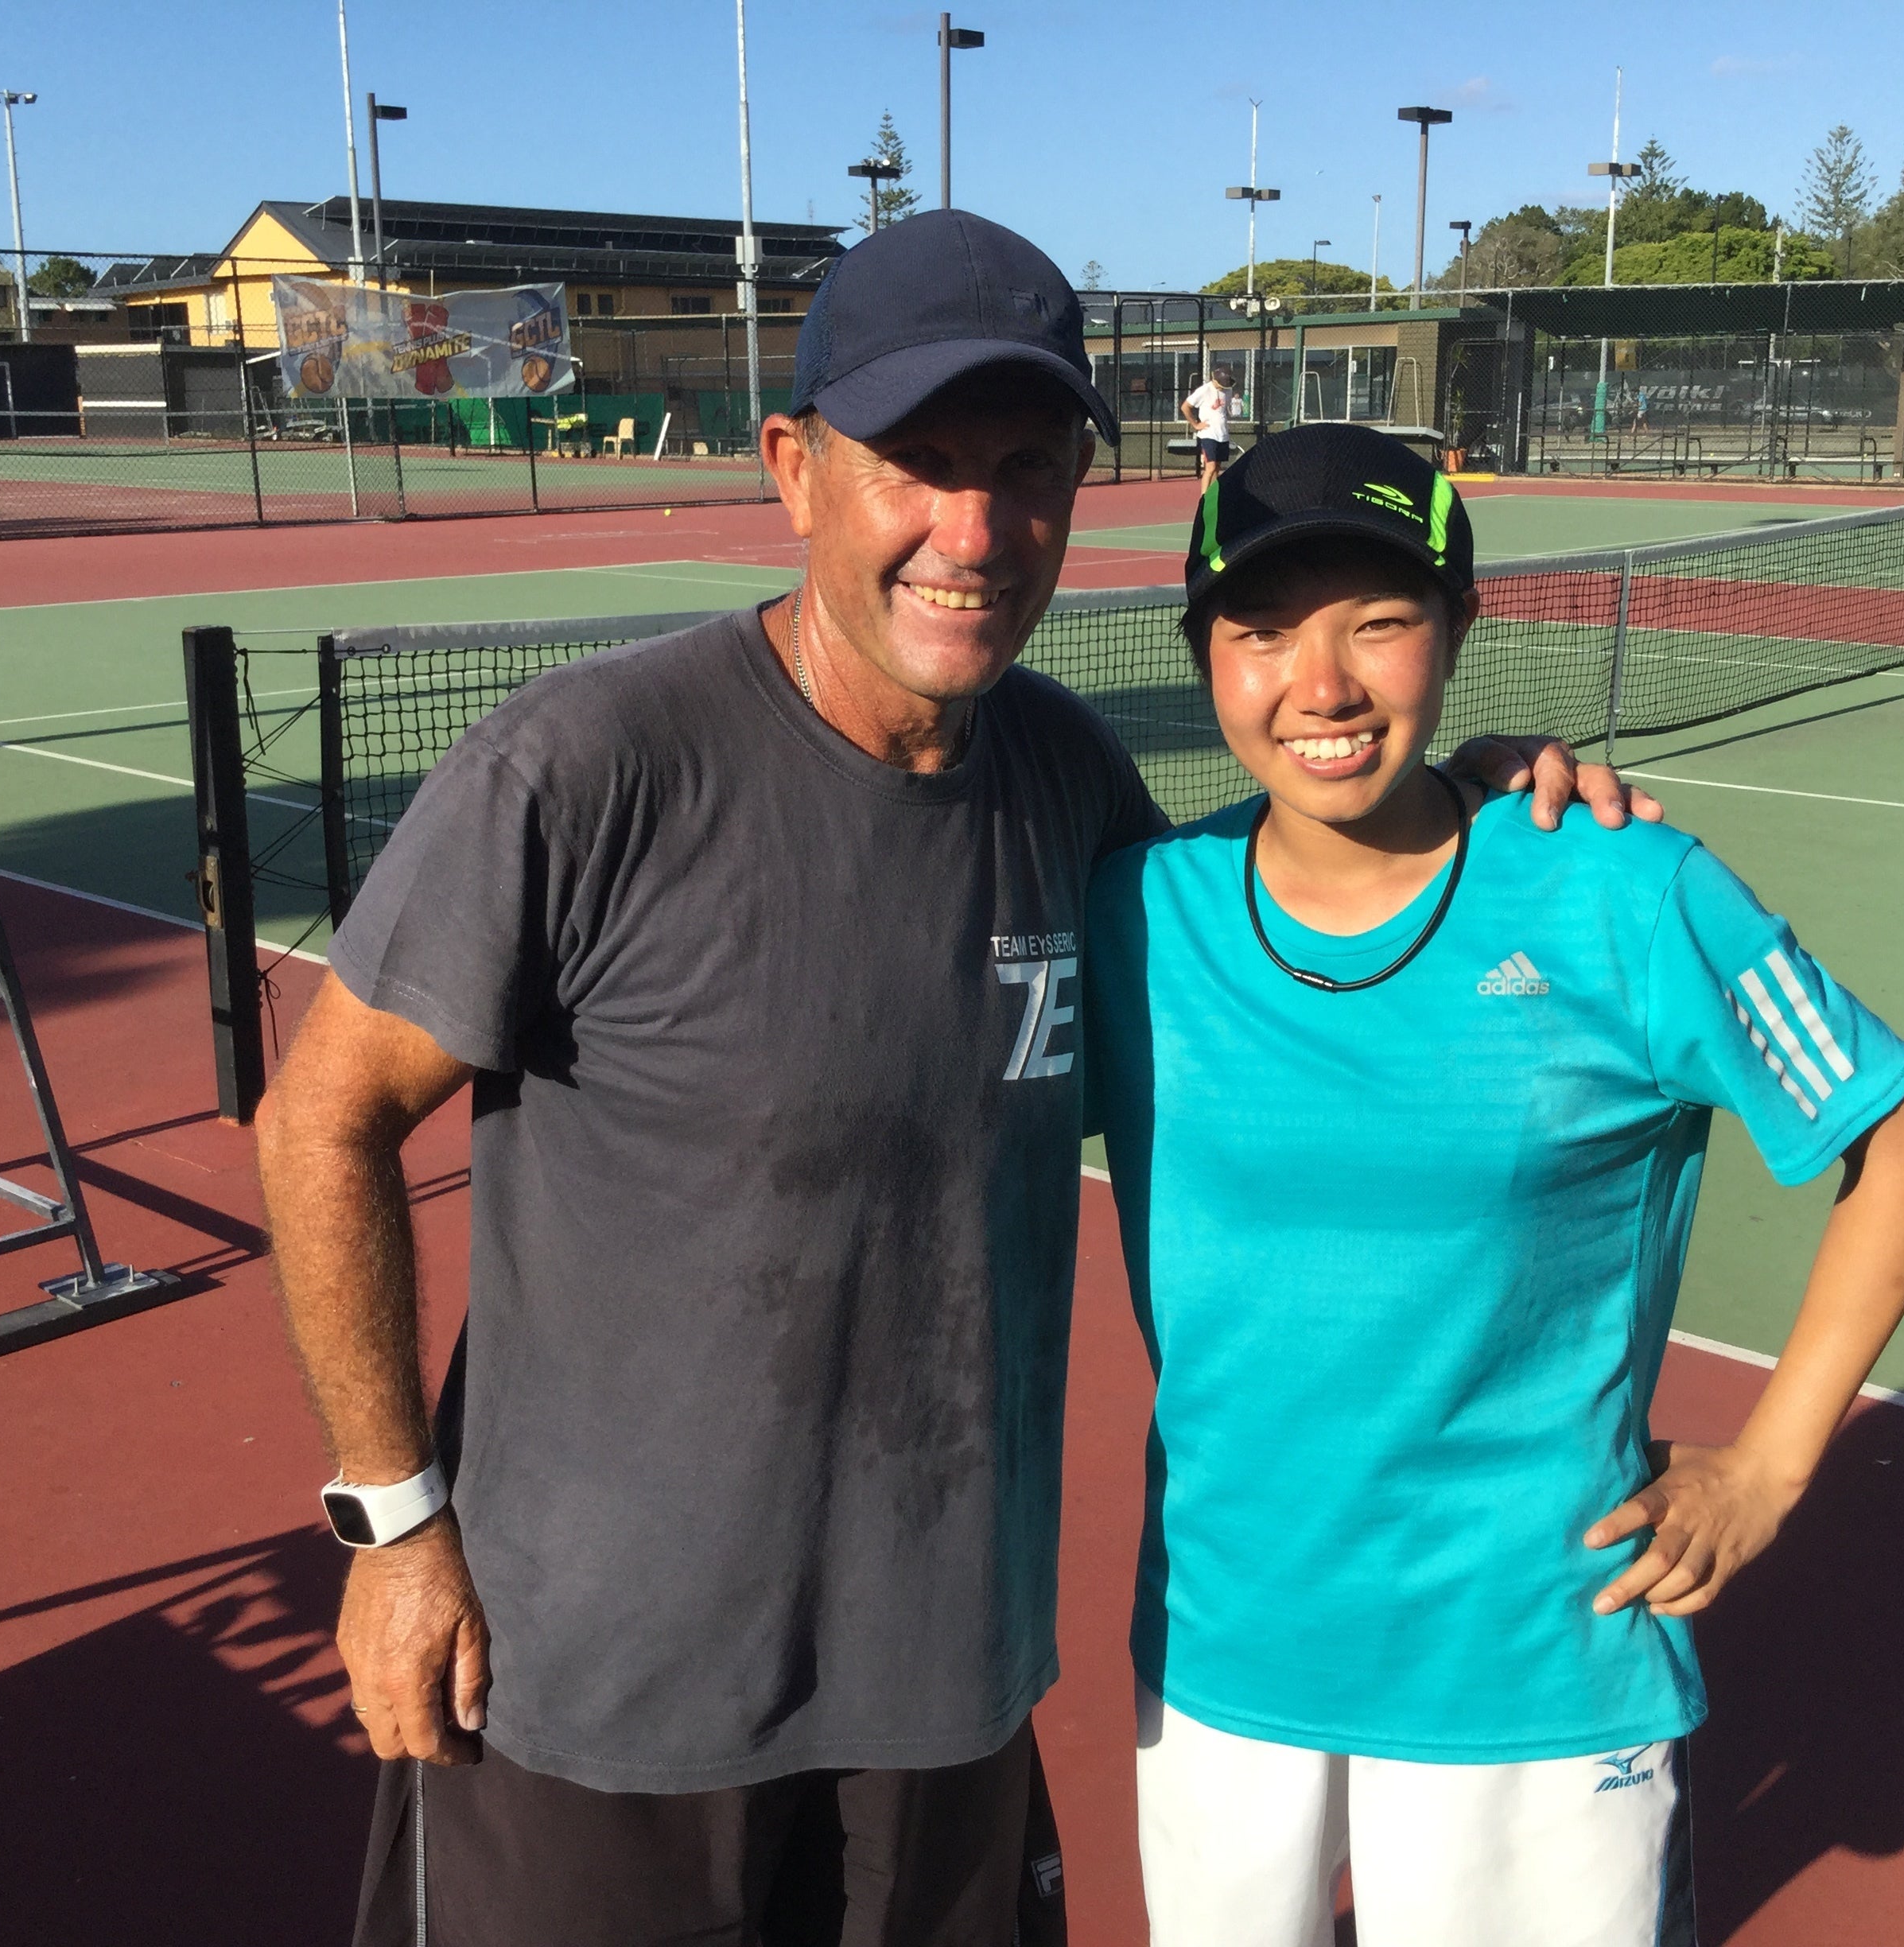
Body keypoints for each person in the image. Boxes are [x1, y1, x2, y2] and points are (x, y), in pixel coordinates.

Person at [255, 216, 1651, 1947]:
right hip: (598, 1697)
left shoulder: (1067, 777)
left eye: (1025, 469)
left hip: (941, 1687)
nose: (973, 531)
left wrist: (1468, 806)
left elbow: (1297, 946)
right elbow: (319, 1118)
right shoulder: (583, 768)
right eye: (916, 463)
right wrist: (395, 1527)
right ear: (794, 469)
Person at [1082, 424, 1904, 1947]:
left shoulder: (1617, 889)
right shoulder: (1136, 913)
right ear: (1201, 654)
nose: (1319, 684)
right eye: (1261, 630)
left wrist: (1764, 1470)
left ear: (1456, 627)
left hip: (1527, 1661)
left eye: (1376, 620)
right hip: (1221, 1648)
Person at [1181, 363, 1236, 488]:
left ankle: (1213, 495)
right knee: (1210, 467)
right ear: (1214, 379)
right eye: (1221, 384)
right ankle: (1204, 496)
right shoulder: (1204, 390)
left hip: (1223, 435)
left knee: (1217, 468)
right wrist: (1195, 424)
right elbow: (1185, 407)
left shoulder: (1228, 390)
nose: (1223, 387)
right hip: (1208, 434)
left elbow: (1223, 411)